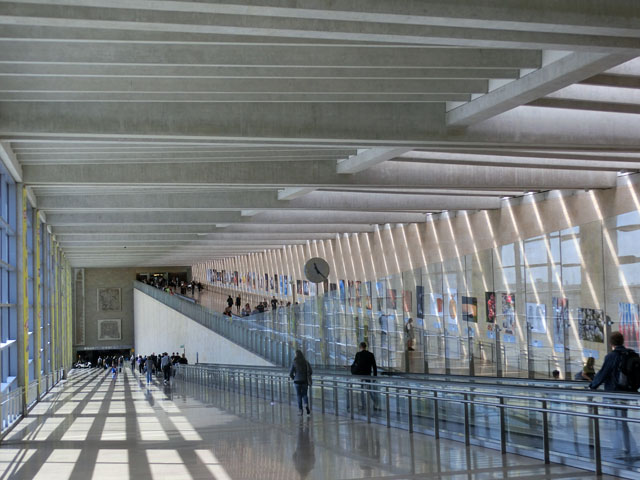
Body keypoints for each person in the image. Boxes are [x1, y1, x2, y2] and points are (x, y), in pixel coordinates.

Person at [589, 332, 638, 457]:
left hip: (615, 392)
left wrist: (592, 386)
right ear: (622, 341)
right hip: (627, 392)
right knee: (622, 421)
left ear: (611, 343)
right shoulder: (629, 354)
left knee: (618, 422)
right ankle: (629, 449)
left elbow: (603, 373)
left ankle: (625, 450)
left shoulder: (612, 356)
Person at [351, 342, 378, 410]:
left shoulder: (358, 354)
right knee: (369, 389)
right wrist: (375, 376)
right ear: (365, 347)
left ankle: (363, 405)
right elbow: (374, 366)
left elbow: (355, 364)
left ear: (360, 347)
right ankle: (375, 402)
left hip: (360, 375)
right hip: (368, 374)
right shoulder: (370, 354)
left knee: (362, 390)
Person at [290, 350, 312, 416]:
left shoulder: (294, 362)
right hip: (304, 381)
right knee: (304, 394)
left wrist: (294, 378)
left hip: (297, 381)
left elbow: (290, 373)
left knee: (299, 395)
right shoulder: (306, 362)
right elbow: (310, 372)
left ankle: (300, 410)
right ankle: (306, 404)